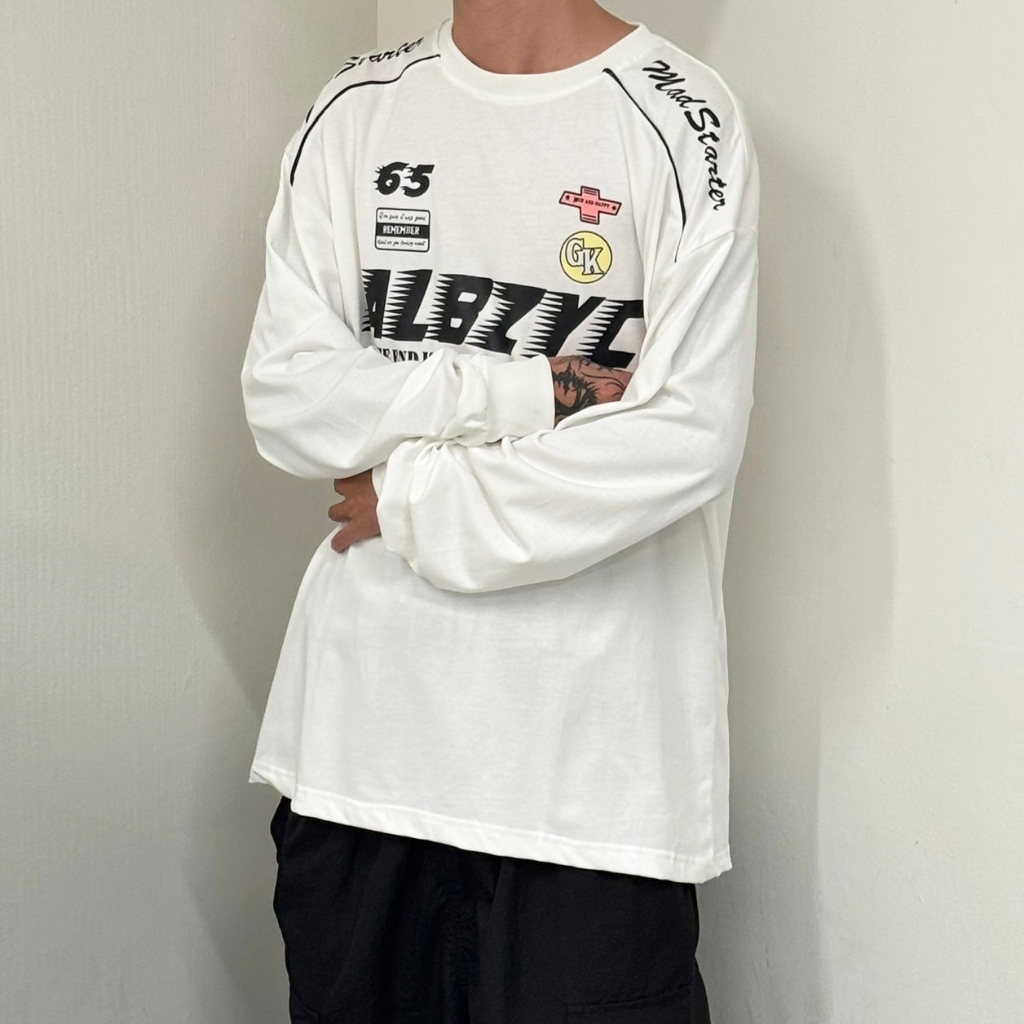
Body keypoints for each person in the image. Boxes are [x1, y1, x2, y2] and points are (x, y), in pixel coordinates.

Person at [240, 0, 759, 1020]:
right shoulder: (354, 109)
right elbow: (290, 400)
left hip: (591, 795)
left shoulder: (683, 116)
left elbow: (683, 434)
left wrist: (407, 496)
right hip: (358, 761)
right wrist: (530, 392)